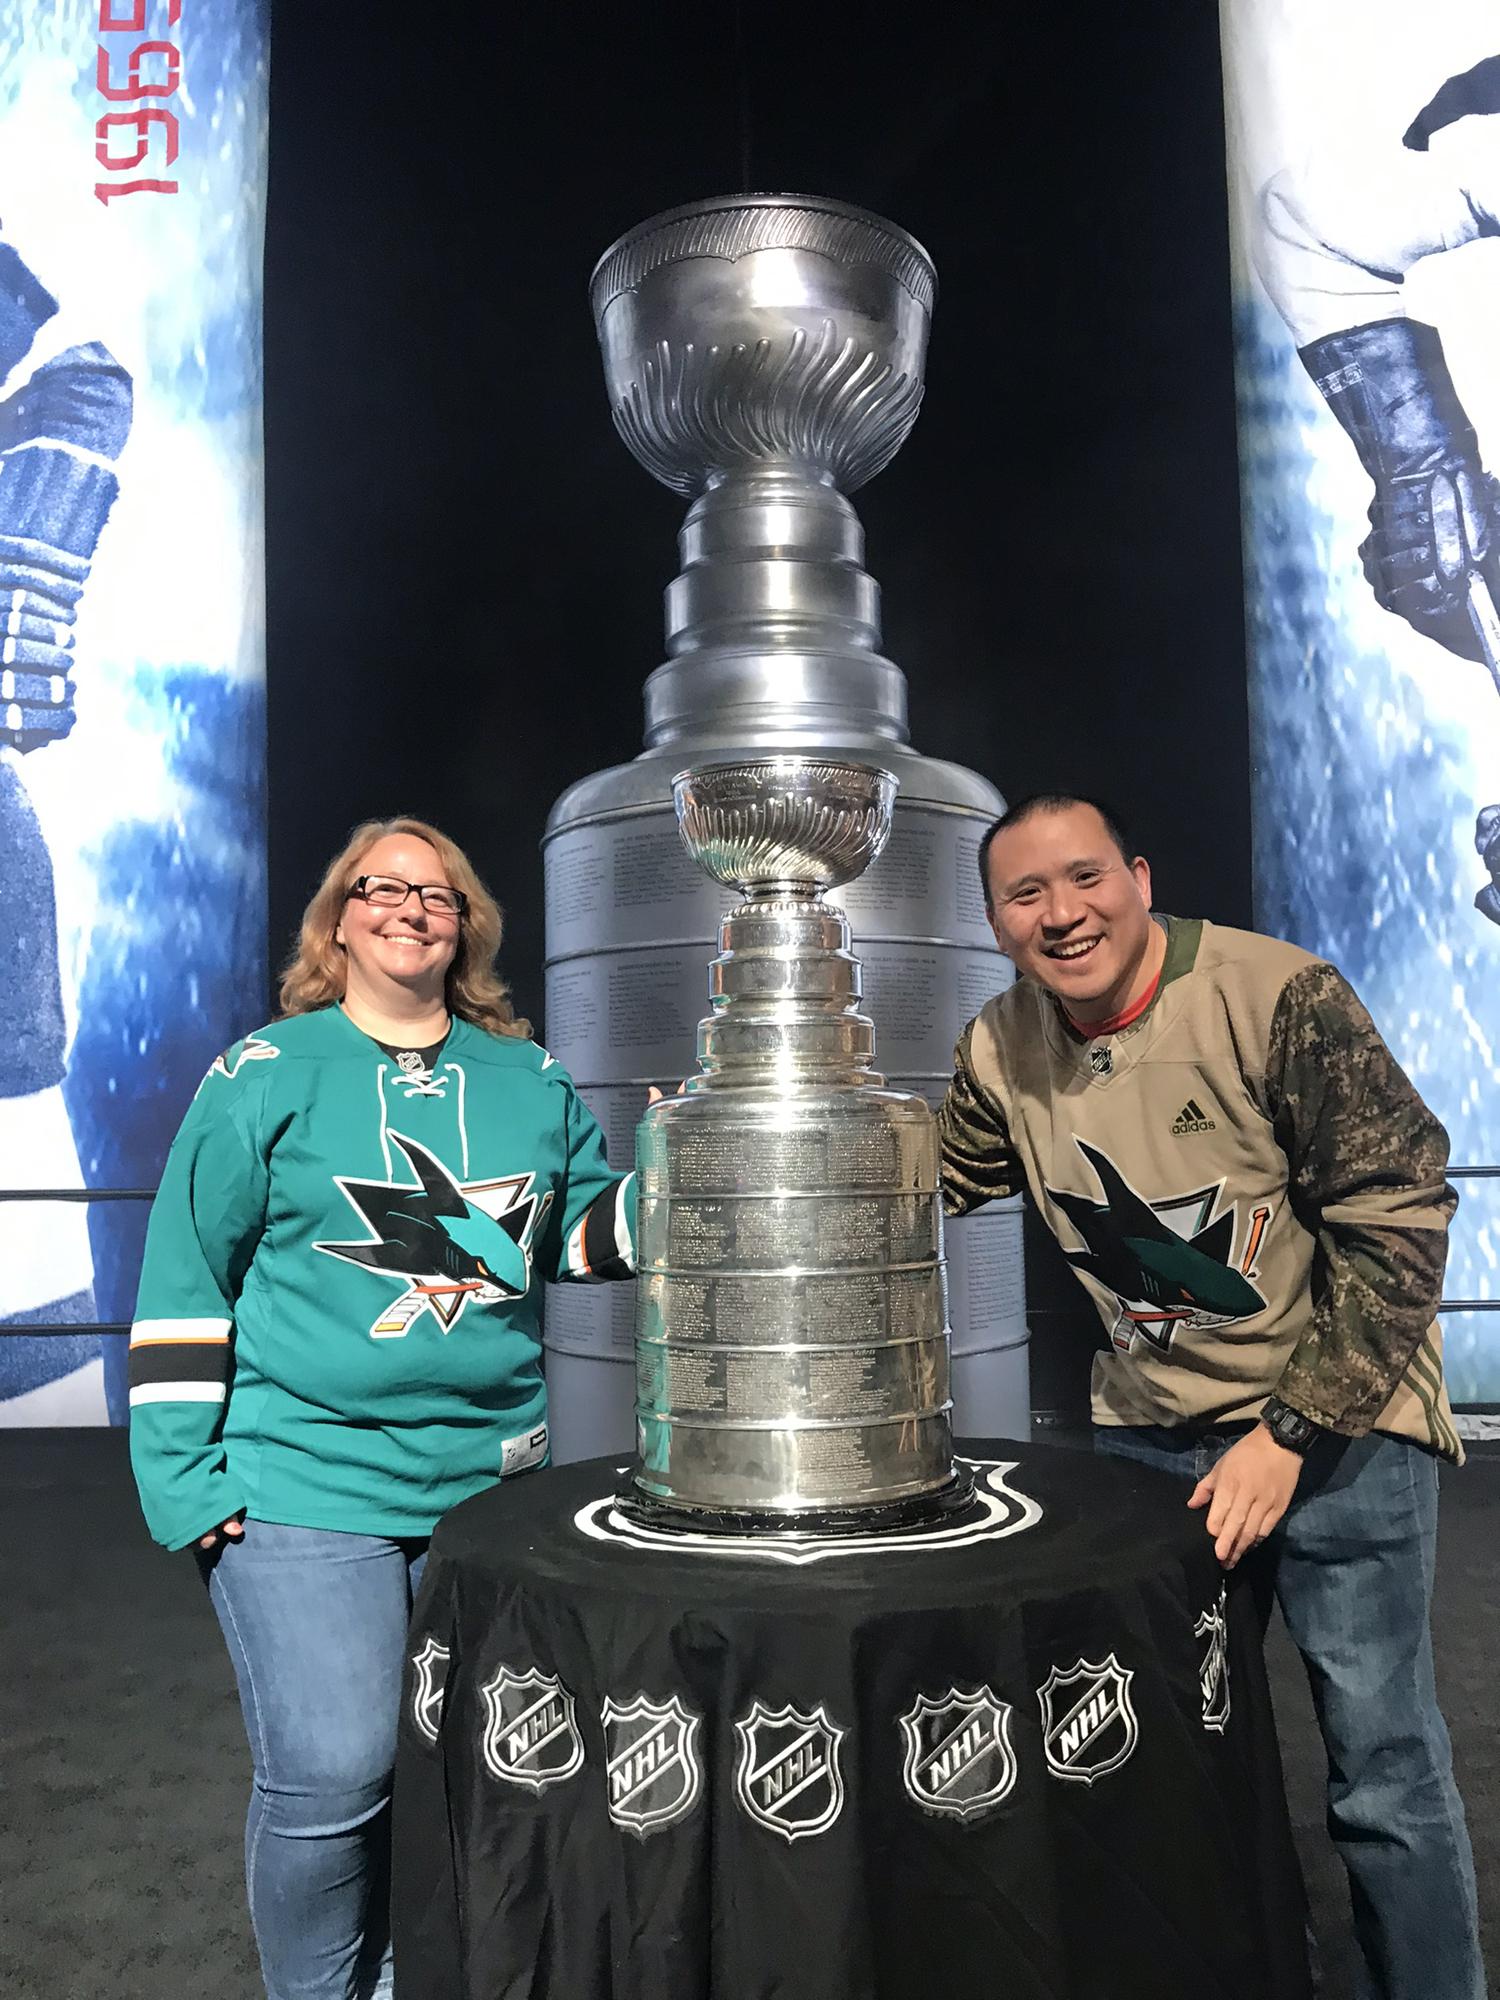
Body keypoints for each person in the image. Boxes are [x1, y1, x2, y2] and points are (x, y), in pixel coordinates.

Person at [937, 791, 1483, 2000]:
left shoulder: (1276, 993)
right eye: (1025, 894)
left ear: (1137, 874)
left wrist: (1289, 1434)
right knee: (1171, 1768)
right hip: (1150, 1451)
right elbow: (939, 1168)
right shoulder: (998, 1045)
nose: (1062, 912)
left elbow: (1402, 1219)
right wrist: (749, 1124)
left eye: (1084, 878)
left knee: (1383, 1769)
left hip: (1339, 1438)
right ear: (992, 920)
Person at [128, 816, 637, 2000]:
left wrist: (682, 1170)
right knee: (334, 1764)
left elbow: (576, 1236)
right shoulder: (265, 1075)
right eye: (383, 887)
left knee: (456, 1766)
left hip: (489, 1489)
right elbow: (185, 1274)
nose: (412, 906)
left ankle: (415, 1974)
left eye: (440, 893)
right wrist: (181, 1479)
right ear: (338, 919)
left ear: (468, 926)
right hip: (302, 1478)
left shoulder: (531, 1077)